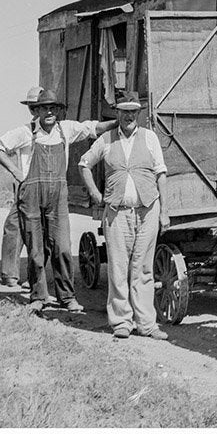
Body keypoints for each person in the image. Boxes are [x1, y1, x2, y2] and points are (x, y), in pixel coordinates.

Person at [0, 86, 116, 314]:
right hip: (31, 197)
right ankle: (38, 296)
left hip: (58, 196)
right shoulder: (26, 132)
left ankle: (67, 297)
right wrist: (16, 172)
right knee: (36, 250)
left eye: (53, 108)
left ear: (58, 111)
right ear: (36, 111)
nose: (49, 112)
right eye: (44, 108)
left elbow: (93, 128)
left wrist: (120, 122)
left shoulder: (65, 130)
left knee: (62, 248)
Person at [78, 92, 169, 340]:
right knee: (118, 268)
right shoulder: (106, 139)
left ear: (138, 114)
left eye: (133, 111)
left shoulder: (150, 138)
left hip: (148, 210)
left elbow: (161, 174)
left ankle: (147, 324)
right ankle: (121, 322)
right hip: (117, 213)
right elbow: (84, 164)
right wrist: (96, 194)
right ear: (116, 113)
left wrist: (165, 212)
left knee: (143, 268)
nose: (129, 115)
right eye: (124, 111)